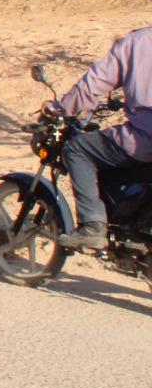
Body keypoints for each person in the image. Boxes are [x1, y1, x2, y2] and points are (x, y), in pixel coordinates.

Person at [43, 26, 152, 250]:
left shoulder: (135, 43)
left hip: (145, 140)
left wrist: (59, 109)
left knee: (78, 148)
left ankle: (92, 226)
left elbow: (91, 86)